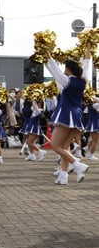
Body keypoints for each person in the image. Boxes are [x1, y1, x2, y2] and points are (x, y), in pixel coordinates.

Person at [45, 46, 91, 185]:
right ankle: (63, 176)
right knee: (65, 147)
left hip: (66, 115)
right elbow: (87, 63)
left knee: (55, 145)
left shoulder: (67, 80)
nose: (64, 70)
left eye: (65, 68)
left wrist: (47, 54)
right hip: (77, 116)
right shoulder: (84, 79)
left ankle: (77, 164)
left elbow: (55, 70)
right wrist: (88, 48)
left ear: (68, 69)